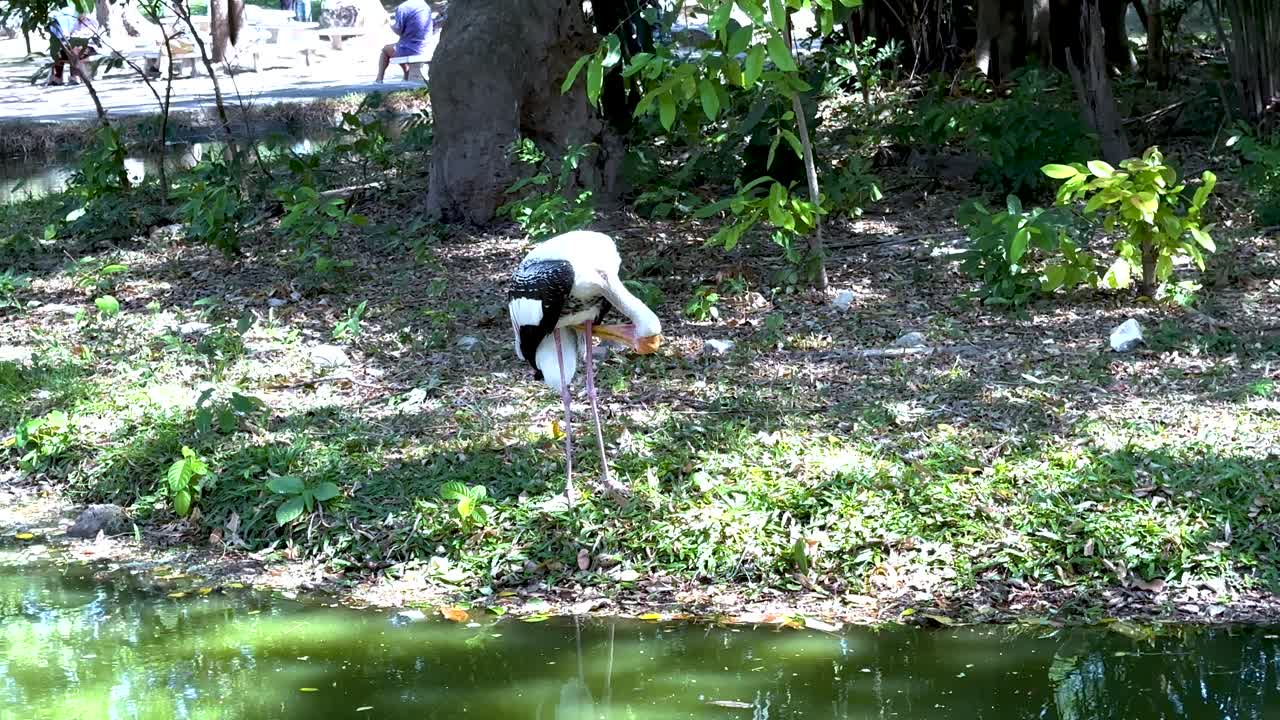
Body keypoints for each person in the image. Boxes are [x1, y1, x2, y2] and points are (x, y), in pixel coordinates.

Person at [376, 0, 432, 83]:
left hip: (412, 49)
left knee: (386, 50)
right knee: (399, 46)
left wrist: (389, 23)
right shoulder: (425, 5)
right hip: (426, 46)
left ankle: (379, 79)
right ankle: (406, 75)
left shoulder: (403, 8)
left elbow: (398, 30)